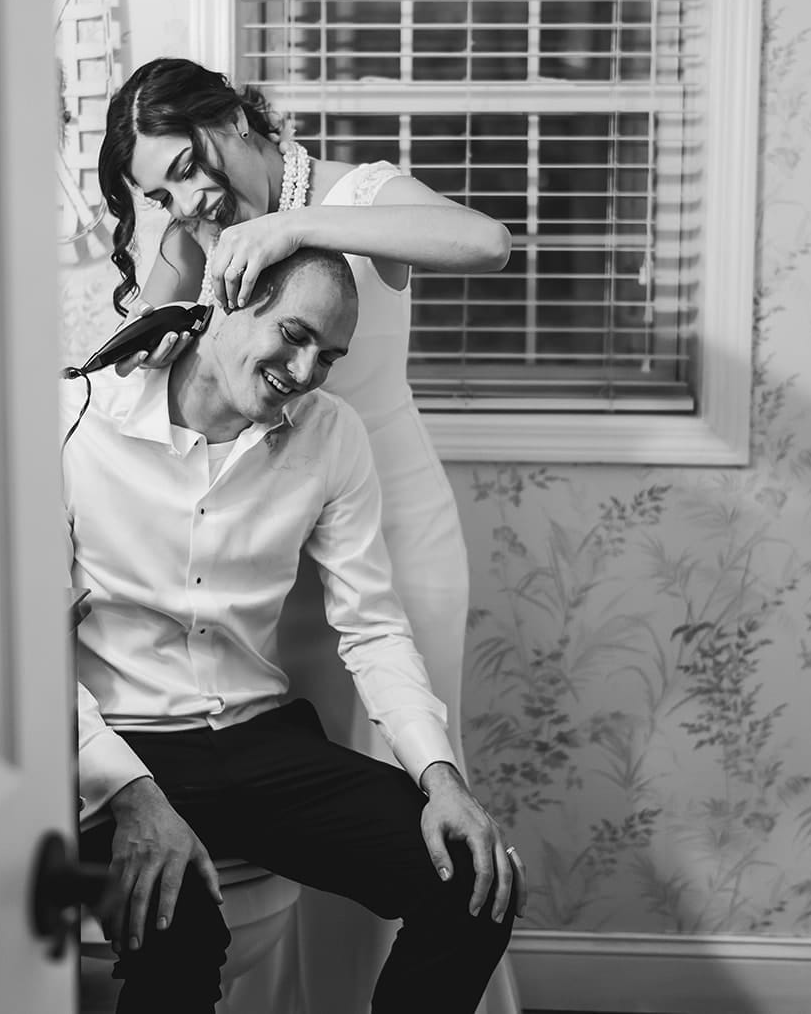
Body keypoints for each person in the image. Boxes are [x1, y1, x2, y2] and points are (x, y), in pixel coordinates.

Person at [95, 57, 520, 1013]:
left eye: (188, 164)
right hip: (264, 538)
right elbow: (128, 370)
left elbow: (486, 242)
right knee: (296, 777)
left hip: (384, 516)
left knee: (399, 774)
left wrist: (293, 224)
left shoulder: (354, 194)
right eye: (161, 189)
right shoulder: (193, 230)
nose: (188, 196)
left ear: (229, 112)